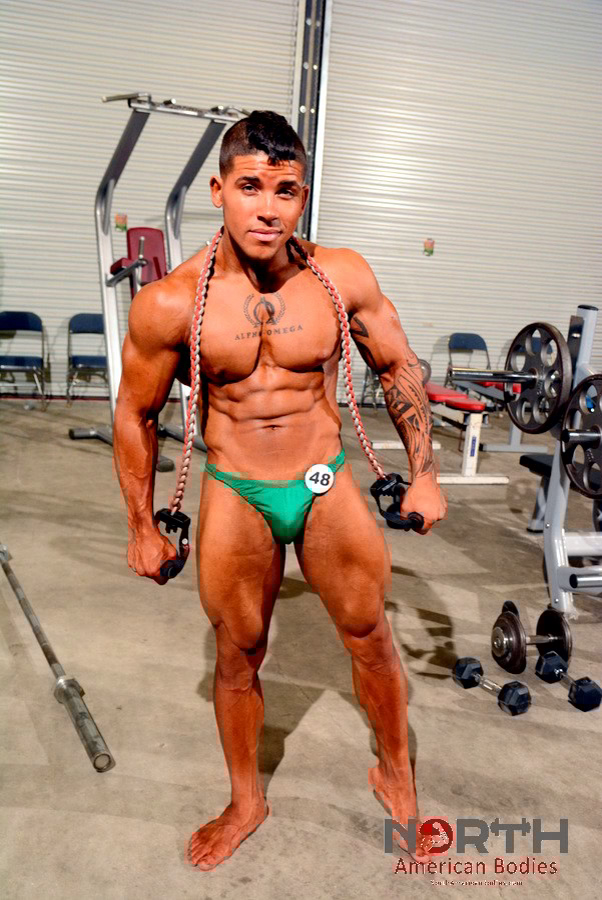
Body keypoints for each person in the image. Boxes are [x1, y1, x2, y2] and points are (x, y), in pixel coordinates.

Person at [113, 110, 447, 871]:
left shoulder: (342, 275)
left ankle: (396, 770)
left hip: (324, 479)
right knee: (238, 655)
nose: (268, 208)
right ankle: (246, 800)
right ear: (218, 190)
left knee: (370, 634)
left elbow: (397, 365)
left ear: (303, 195)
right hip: (236, 487)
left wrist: (425, 474)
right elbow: (134, 413)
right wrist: (141, 526)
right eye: (250, 187)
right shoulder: (171, 301)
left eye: (286, 190)